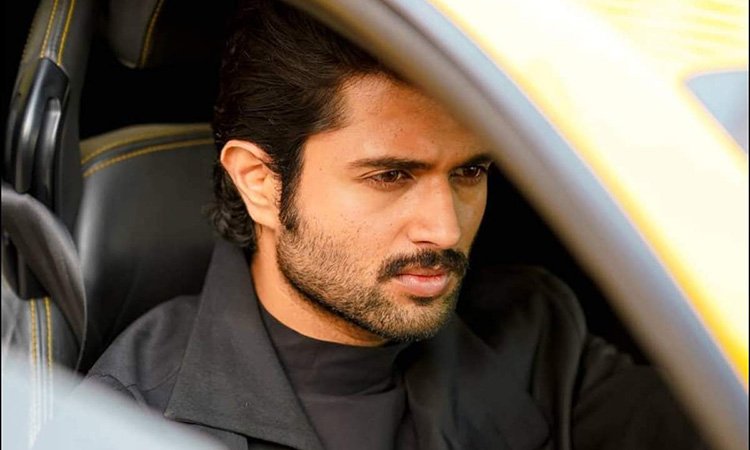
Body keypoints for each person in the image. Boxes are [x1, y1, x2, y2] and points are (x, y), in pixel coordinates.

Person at [81, 1, 705, 449]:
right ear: (260, 183)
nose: (445, 230)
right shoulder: (131, 421)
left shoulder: (531, 328)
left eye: (469, 172)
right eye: (390, 176)